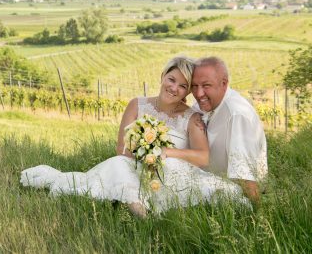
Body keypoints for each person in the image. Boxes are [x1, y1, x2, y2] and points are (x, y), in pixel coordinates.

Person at [21, 56, 247, 217]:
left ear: (188, 91)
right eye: (171, 80)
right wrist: (145, 156)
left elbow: (202, 157)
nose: (174, 88)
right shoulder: (137, 105)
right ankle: (138, 210)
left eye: (183, 85)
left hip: (172, 172)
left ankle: (141, 203)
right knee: (120, 162)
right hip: (133, 165)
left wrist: (165, 153)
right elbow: (122, 149)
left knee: (219, 193)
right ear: (162, 77)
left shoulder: (192, 117)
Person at [191, 56, 268, 205]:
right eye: (194, 86)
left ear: (224, 84)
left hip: (234, 199)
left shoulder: (236, 115)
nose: (198, 93)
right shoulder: (206, 103)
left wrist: (258, 217)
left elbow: (245, 175)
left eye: (206, 85)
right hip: (210, 189)